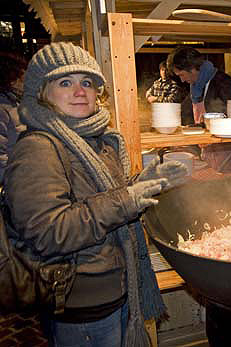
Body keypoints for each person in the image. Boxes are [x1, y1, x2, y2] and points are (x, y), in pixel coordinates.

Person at [4, 42, 188, 346]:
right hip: (81, 306)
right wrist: (127, 200)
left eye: (87, 82)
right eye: (66, 82)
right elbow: (48, 232)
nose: (80, 91)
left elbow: (102, 197)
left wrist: (143, 182)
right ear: (41, 92)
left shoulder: (96, 140)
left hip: (116, 286)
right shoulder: (38, 148)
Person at [167, 46, 231, 172]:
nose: (182, 80)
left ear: (193, 68)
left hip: (226, 152)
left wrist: (199, 127)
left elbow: (230, 119)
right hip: (208, 151)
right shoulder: (196, 87)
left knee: (227, 185)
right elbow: (186, 112)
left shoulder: (223, 83)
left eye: (182, 74)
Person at [0, 51, 28, 181]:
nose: (26, 83)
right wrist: (12, 180)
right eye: (23, 78)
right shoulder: (3, 109)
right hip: (16, 180)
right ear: (11, 80)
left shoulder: (16, 103)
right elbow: (1, 156)